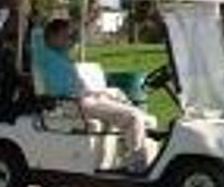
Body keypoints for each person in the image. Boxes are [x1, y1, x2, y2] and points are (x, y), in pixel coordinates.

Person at [33, 19, 149, 173]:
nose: (70, 40)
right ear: (53, 37)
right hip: (74, 103)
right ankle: (137, 165)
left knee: (124, 101)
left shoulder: (60, 55)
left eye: (70, 36)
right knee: (133, 117)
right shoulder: (48, 59)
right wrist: (91, 94)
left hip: (83, 99)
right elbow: (63, 90)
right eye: (66, 36)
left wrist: (97, 93)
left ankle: (130, 148)